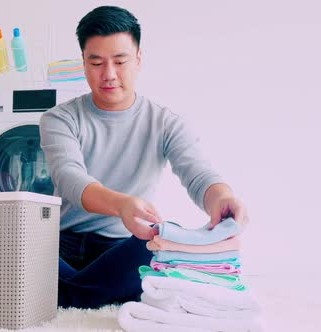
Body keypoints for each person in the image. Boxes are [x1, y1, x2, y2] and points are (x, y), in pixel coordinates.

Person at [39, 6, 249, 309]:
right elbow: (70, 178)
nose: (108, 74)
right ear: (83, 63)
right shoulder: (59, 119)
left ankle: (65, 294)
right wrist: (121, 204)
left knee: (158, 244)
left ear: (138, 60)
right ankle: (93, 294)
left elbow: (198, 173)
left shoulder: (165, 122)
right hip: (62, 243)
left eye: (120, 61)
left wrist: (222, 197)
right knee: (13, 240)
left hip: (124, 247)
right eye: (96, 62)